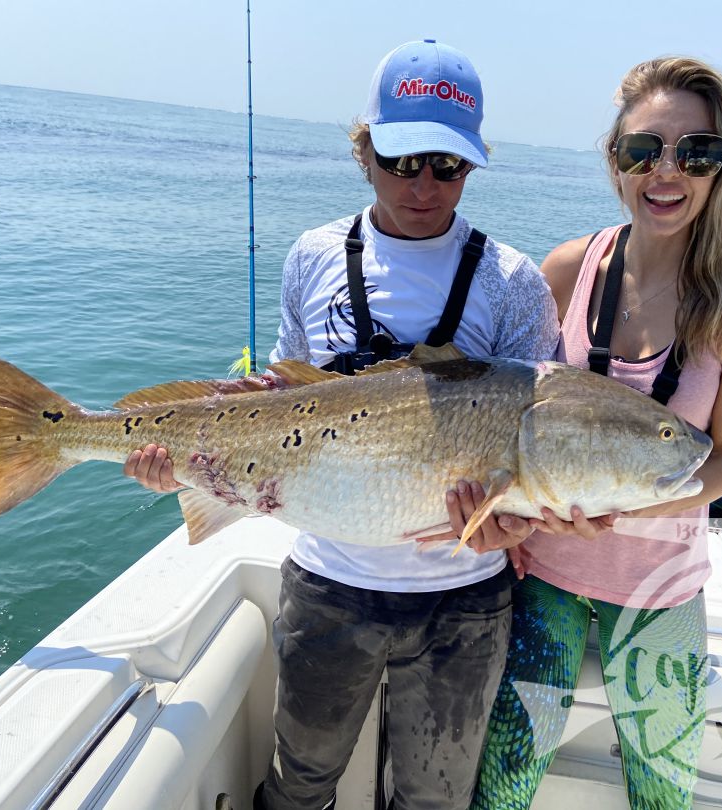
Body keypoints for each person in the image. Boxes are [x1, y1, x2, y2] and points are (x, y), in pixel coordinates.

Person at [124, 40, 559, 810]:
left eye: (447, 165)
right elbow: (283, 397)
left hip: (465, 604)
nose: (424, 184)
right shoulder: (313, 255)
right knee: (300, 787)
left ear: (473, 164)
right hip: (329, 584)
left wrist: (514, 529)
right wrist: (184, 466)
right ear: (365, 149)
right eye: (401, 159)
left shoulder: (515, 282)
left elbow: (534, 443)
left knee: (435, 802)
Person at [454, 56, 722, 809]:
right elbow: (515, 423)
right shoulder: (570, 269)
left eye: (696, 152)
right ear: (616, 162)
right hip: (540, 582)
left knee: (662, 791)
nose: (665, 171)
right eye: (641, 151)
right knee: (505, 784)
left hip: (659, 593)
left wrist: (620, 511)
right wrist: (507, 523)